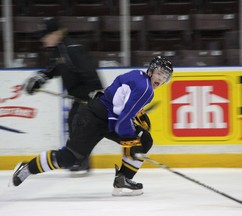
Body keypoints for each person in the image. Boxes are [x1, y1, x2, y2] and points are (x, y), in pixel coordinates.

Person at [11, 56, 173, 196]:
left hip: (107, 116)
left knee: (144, 139)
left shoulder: (138, 76)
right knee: (69, 158)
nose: (160, 79)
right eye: (159, 73)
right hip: (93, 119)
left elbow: (119, 97)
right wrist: (130, 141)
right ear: (151, 71)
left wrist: (138, 113)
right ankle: (28, 168)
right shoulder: (146, 89)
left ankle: (123, 179)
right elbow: (123, 120)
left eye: (165, 76)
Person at [23, 17, 103, 173]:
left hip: (89, 98)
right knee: (75, 125)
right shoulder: (58, 50)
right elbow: (52, 70)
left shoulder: (72, 49)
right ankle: (80, 160)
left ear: (57, 33)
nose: (42, 39)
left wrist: (95, 95)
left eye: (45, 35)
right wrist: (38, 80)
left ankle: (80, 160)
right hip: (80, 98)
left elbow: (90, 73)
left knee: (79, 125)